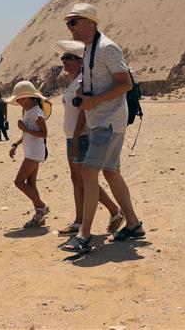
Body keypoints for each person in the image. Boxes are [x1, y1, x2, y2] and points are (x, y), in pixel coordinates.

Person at [61, 3, 144, 254]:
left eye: (74, 22)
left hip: (108, 121)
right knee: (111, 172)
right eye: (68, 23)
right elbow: (98, 81)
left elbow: (125, 84)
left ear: (90, 22)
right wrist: (84, 92)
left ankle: (84, 235)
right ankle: (133, 224)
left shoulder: (107, 48)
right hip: (100, 120)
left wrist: (93, 100)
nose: (70, 28)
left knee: (87, 172)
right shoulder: (89, 50)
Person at [55, 40, 123, 236]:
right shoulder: (73, 82)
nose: (64, 62)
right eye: (63, 58)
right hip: (71, 136)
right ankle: (81, 220)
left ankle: (111, 211)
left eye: (68, 58)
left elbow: (84, 112)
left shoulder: (83, 82)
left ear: (79, 61)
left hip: (82, 136)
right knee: (76, 179)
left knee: (86, 179)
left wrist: (76, 138)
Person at [6, 80, 51, 228]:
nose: (18, 101)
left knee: (19, 182)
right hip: (30, 151)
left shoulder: (37, 112)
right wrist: (15, 144)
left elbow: (44, 133)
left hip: (35, 152)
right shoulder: (27, 111)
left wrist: (24, 128)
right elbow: (27, 134)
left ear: (30, 97)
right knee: (31, 184)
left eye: (20, 98)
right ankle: (39, 215)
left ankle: (42, 207)